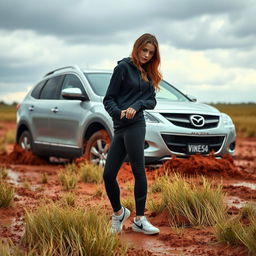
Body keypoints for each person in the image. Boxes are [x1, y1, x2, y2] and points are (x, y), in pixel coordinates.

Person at [103, 33, 162, 235]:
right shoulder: (122, 68)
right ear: (137, 48)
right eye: (144, 50)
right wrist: (119, 112)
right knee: (108, 174)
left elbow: (151, 101)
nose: (146, 55)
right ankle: (119, 213)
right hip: (120, 126)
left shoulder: (149, 73)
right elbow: (108, 99)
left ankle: (139, 219)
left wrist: (136, 106)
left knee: (139, 170)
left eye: (150, 52)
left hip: (137, 125)